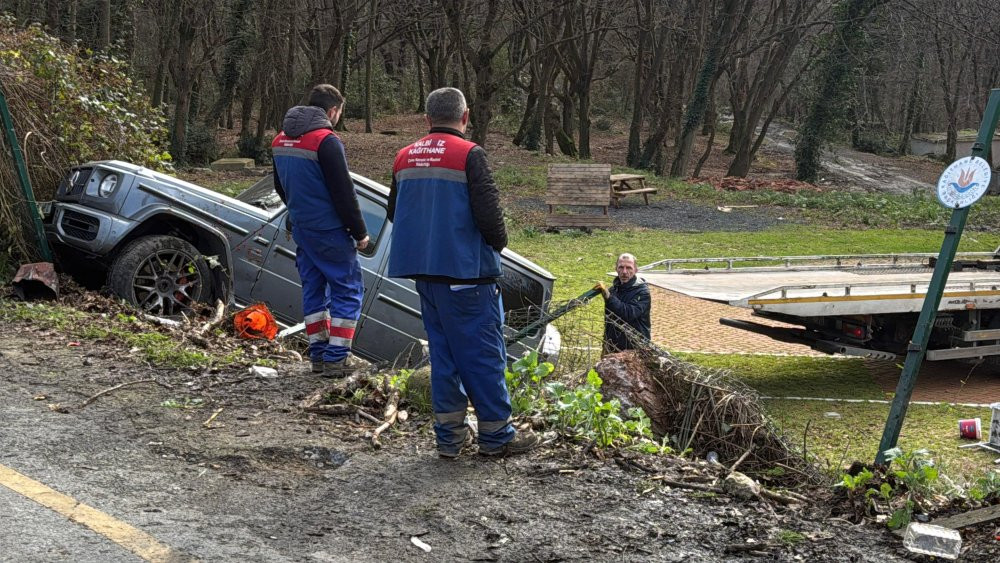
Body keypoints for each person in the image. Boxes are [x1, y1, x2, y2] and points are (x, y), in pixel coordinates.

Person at [387, 87, 538, 459]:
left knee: (444, 358)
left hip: (426, 276)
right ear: (465, 116)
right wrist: (494, 245)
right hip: (467, 276)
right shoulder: (470, 154)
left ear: (427, 120)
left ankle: (449, 439)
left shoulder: (405, 157)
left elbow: (395, 211)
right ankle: (496, 436)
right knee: (484, 356)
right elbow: (490, 218)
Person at [271, 84, 369, 377]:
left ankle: (317, 354)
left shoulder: (279, 140)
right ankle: (337, 358)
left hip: (303, 229)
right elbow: (343, 191)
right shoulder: (326, 141)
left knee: (313, 290)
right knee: (348, 290)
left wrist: (299, 212)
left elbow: (280, 187)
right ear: (332, 111)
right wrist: (360, 231)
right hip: (331, 231)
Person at [598, 253, 652, 353]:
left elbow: (628, 313)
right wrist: (606, 344)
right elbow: (609, 320)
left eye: (629, 268)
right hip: (612, 346)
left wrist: (609, 298)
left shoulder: (642, 292)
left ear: (636, 270)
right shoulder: (613, 290)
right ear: (616, 269)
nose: (624, 272)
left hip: (635, 349)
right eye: (621, 267)